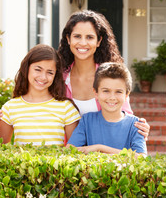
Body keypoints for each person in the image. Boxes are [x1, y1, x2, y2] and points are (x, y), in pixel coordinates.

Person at [58, 10, 150, 139]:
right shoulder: (58, 78)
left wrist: (139, 131)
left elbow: (125, 117)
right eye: (77, 36)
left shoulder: (111, 77)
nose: (83, 43)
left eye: (90, 37)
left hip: (103, 154)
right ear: (68, 39)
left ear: (99, 41)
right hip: (67, 154)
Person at [0, 44, 80, 145]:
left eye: (50, 72)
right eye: (38, 70)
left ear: (55, 75)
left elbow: (76, 150)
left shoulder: (66, 108)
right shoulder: (10, 107)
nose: (43, 77)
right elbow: (1, 148)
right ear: (27, 68)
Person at [66, 62, 147, 156]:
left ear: (126, 95)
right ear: (96, 93)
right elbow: (69, 150)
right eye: (106, 91)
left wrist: (99, 148)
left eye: (118, 92)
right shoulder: (87, 120)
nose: (112, 97)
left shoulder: (136, 125)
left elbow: (142, 157)